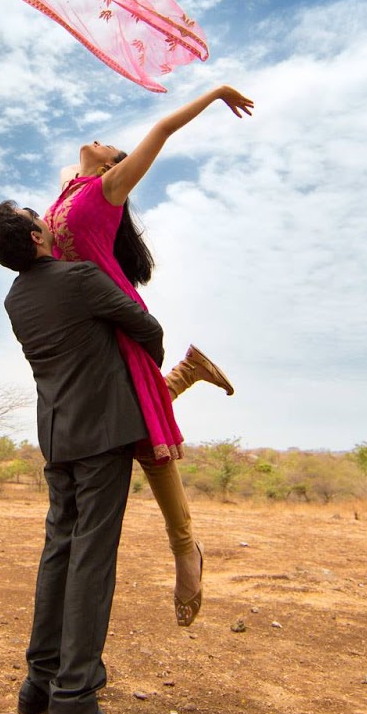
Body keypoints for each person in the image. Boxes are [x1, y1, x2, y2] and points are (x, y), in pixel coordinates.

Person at [44, 83, 254, 628]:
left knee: (144, 437)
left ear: (117, 163)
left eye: (108, 144)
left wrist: (214, 95)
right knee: (137, 417)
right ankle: (188, 372)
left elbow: (160, 130)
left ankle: (185, 548)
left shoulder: (110, 187)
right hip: (86, 323)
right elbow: (74, 162)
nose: (95, 140)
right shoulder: (72, 187)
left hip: (117, 319)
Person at [0, 200, 162, 714]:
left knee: (60, 549)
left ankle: (40, 681)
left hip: (57, 437)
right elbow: (148, 329)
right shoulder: (79, 278)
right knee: (91, 560)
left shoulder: (16, 298)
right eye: (42, 219)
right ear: (37, 236)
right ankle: (75, 706)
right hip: (103, 432)